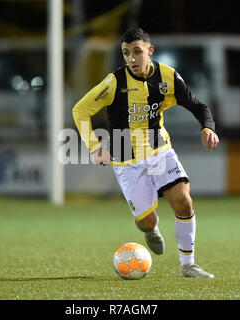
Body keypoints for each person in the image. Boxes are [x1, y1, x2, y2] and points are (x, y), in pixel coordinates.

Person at [72, 28, 219, 278]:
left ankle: (188, 265)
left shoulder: (167, 76)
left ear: (150, 51)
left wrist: (208, 127)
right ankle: (151, 230)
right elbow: (80, 110)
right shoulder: (114, 83)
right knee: (146, 221)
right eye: (126, 53)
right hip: (126, 161)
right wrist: (95, 147)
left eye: (137, 52)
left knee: (184, 202)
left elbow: (197, 105)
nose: (131, 58)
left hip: (160, 151)